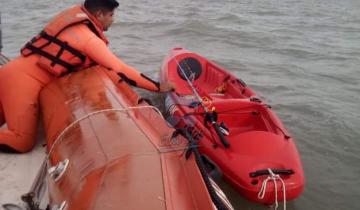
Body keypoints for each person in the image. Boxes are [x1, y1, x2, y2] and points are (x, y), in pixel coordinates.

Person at [0, 0, 174, 153]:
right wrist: (158, 87)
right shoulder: (87, 38)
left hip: (13, 75)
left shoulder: (78, 24)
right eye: (111, 15)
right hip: (19, 81)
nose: (113, 20)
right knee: (21, 141)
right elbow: (120, 68)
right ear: (98, 14)